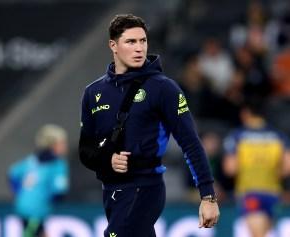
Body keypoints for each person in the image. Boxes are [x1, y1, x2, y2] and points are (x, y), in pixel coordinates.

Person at [79, 14, 219, 237]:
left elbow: (190, 142)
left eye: (142, 41)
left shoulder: (163, 88)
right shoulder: (93, 93)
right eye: (131, 42)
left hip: (145, 186)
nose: (139, 48)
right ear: (113, 46)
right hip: (112, 191)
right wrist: (108, 159)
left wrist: (208, 196)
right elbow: (85, 151)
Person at [223, 97, 290, 237]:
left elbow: (230, 168)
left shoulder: (237, 136)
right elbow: (287, 168)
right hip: (273, 192)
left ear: (246, 113)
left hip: (250, 193)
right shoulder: (279, 136)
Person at [8, 124, 69, 237]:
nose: (65, 146)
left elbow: (12, 174)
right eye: (62, 143)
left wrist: (19, 194)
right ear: (53, 145)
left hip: (24, 207)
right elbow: (59, 193)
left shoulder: (32, 160)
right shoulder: (58, 165)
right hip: (36, 211)